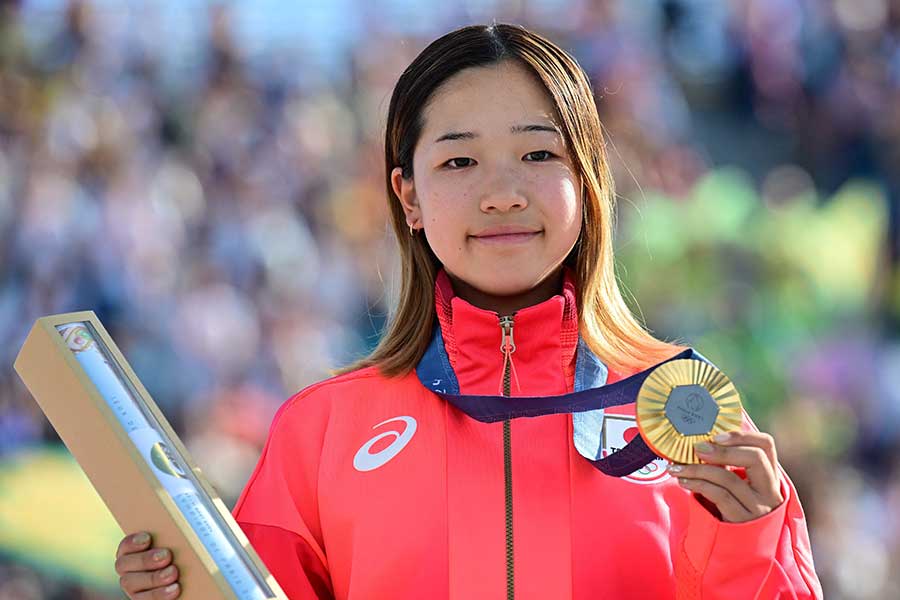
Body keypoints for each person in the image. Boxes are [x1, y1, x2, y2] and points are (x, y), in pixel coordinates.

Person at [113, 22, 823, 600]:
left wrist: (752, 540)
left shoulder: (687, 408)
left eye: (538, 154)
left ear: (586, 179)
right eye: (459, 163)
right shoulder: (320, 432)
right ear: (409, 194)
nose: (503, 194)